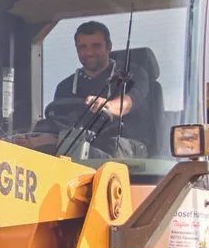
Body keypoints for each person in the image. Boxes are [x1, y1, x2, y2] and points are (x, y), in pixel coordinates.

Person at [19, 20, 150, 155]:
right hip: (78, 144)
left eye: (96, 46)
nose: (89, 52)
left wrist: (107, 105)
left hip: (125, 146)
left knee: (105, 147)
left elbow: (125, 104)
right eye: (83, 47)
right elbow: (59, 124)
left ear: (109, 47)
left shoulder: (131, 74)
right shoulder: (65, 87)